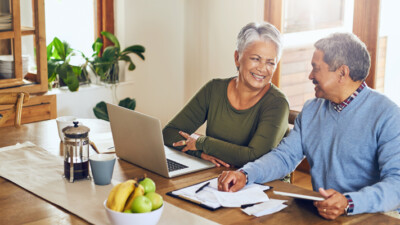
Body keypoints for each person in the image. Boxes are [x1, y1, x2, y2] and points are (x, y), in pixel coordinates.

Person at [217, 32, 400, 220]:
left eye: (316, 68)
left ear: (342, 73)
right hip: (324, 216)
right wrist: (246, 174)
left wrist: (348, 202)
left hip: (376, 217)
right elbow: (284, 157)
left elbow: (397, 185)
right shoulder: (312, 109)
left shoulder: (388, 115)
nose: (310, 75)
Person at [162, 22, 289, 168]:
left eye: (270, 63)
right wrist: (200, 153)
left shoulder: (278, 103)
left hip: (261, 184)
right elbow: (169, 134)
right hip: (216, 175)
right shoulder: (214, 89)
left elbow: (255, 157)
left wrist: (202, 143)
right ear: (237, 57)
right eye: (255, 59)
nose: (262, 69)